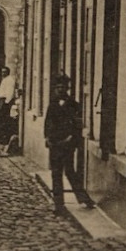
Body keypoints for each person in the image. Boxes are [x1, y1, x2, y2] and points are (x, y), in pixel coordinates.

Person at [43, 73, 95, 215]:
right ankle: (58, 205)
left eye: (63, 87)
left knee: (70, 172)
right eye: (58, 87)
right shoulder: (52, 104)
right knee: (56, 174)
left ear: (67, 88)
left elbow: (77, 125)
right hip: (54, 144)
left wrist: (71, 138)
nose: (60, 89)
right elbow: (47, 123)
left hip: (67, 144)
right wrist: (47, 137)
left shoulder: (74, 105)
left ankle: (84, 199)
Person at [0, 66, 18, 145]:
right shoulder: (5, 79)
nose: (3, 73)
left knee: (5, 121)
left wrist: (6, 102)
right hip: (2, 101)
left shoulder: (10, 80)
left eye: (5, 72)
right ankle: (2, 137)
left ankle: (4, 138)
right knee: (1, 120)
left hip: (6, 102)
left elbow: (10, 92)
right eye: (2, 72)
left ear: (8, 72)